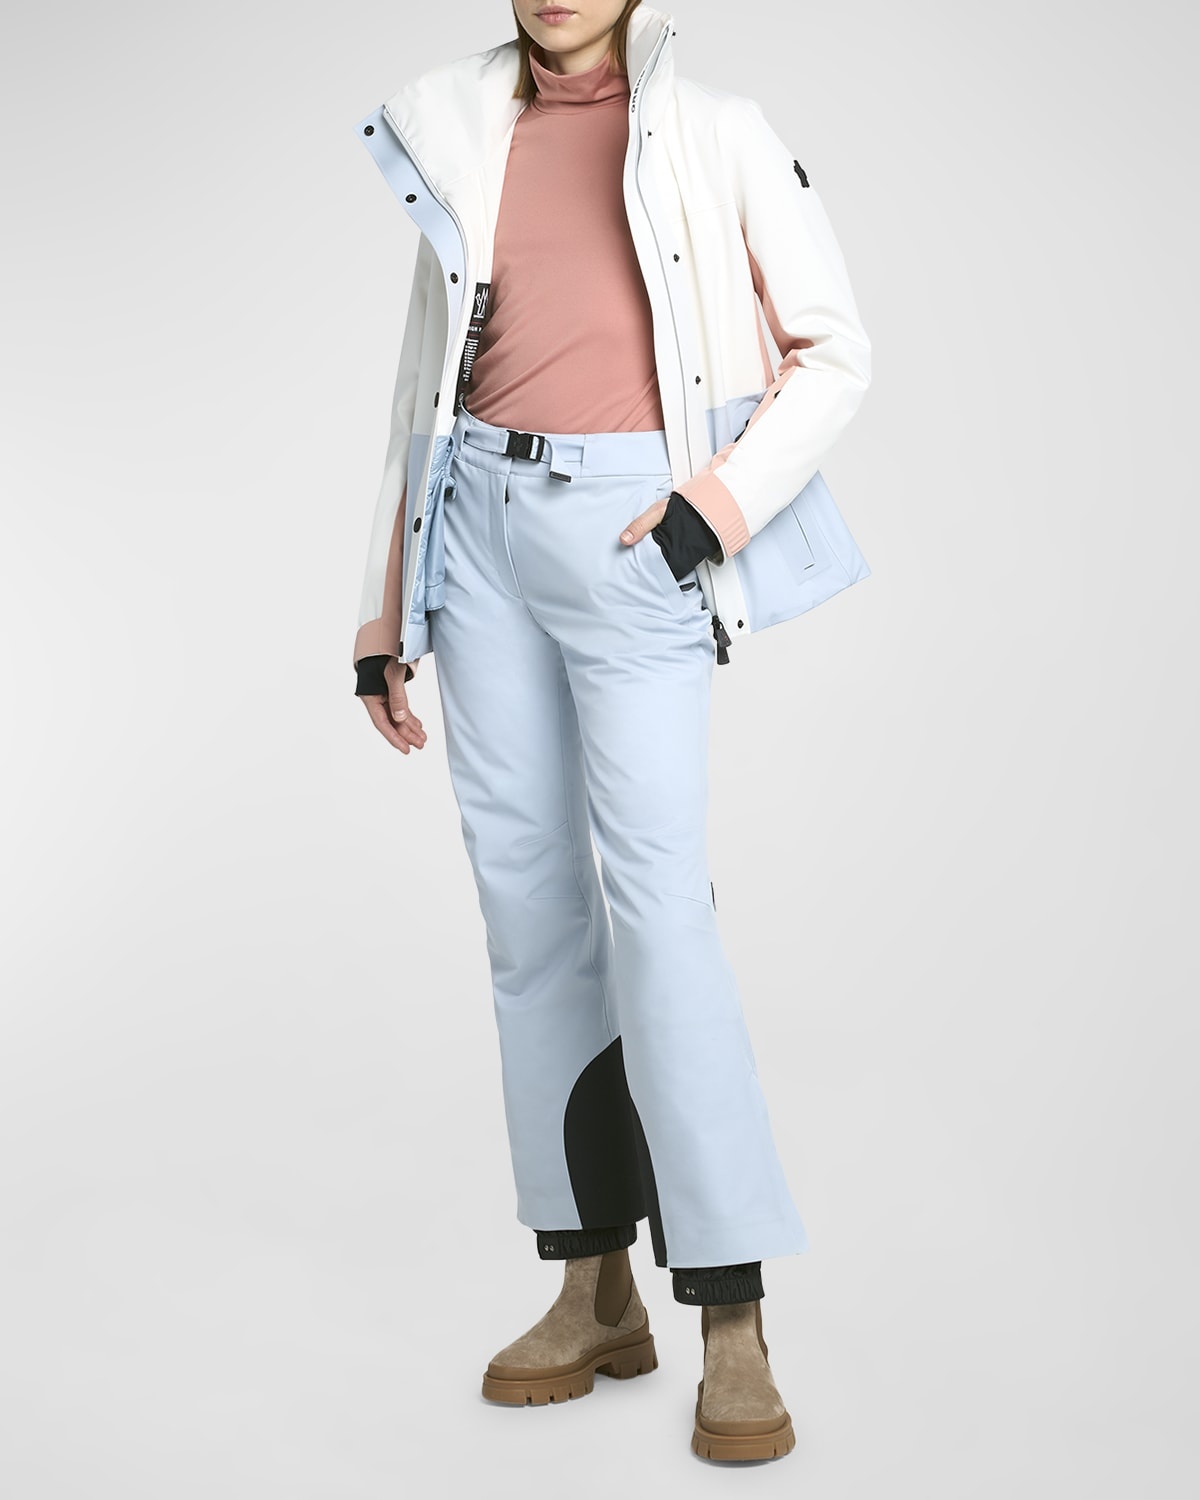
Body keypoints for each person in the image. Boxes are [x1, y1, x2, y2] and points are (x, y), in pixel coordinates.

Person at [351, 0, 871, 1463]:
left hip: (637, 529)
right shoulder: (465, 133)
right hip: (478, 530)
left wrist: (712, 512)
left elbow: (836, 352)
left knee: (659, 915)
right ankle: (593, 1288)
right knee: (528, 915)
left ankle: (731, 1316)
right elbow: (420, 385)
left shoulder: (717, 133)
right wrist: (386, 604)